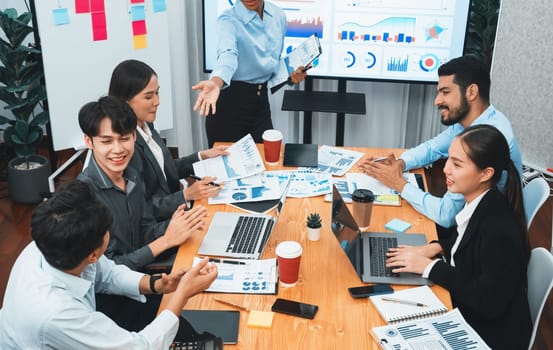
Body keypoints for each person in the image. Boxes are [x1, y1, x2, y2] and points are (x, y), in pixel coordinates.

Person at [0, 180, 218, 349]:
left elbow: (106, 274)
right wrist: (181, 295)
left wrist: (155, 285)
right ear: (93, 254)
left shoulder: (50, 242)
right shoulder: (58, 314)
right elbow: (141, 347)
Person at [385, 124, 531, 349]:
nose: (446, 170)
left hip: (485, 334)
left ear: (486, 173)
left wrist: (429, 267)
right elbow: (468, 244)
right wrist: (436, 247)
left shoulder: (499, 231)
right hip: (467, 314)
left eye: (457, 164)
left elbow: (486, 302)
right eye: (448, 160)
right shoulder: (482, 203)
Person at [77, 96, 208, 330]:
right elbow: (109, 271)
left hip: (146, 280)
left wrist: (178, 225)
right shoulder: (85, 197)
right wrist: (166, 240)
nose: (118, 150)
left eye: (124, 139)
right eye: (106, 141)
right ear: (89, 141)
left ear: (134, 136)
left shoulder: (131, 176)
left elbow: (144, 229)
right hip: (111, 304)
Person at [358, 55, 523, 229]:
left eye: (445, 92)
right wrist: (400, 164)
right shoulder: (474, 121)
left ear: (471, 92)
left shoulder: (487, 138)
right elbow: (432, 148)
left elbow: (446, 215)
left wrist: (398, 183)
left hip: (482, 236)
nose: (437, 101)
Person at [109, 59, 228, 221]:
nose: (157, 102)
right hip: (162, 227)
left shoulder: (146, 124)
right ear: (125, 101)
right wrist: (186, 195)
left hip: (177, 213)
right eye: (149, 97)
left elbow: (164, 171)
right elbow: (142, 209)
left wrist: (202, 156)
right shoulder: (124, 148)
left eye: (157, 93)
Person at [192, 0, 308, 147]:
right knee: (230, 166)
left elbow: (270, 64)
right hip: (229, 109)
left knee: (267, 163)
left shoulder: (278, 16)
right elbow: (228, 54)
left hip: (261, 106)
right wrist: (216, 82)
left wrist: (290, 74)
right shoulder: (228, 20)